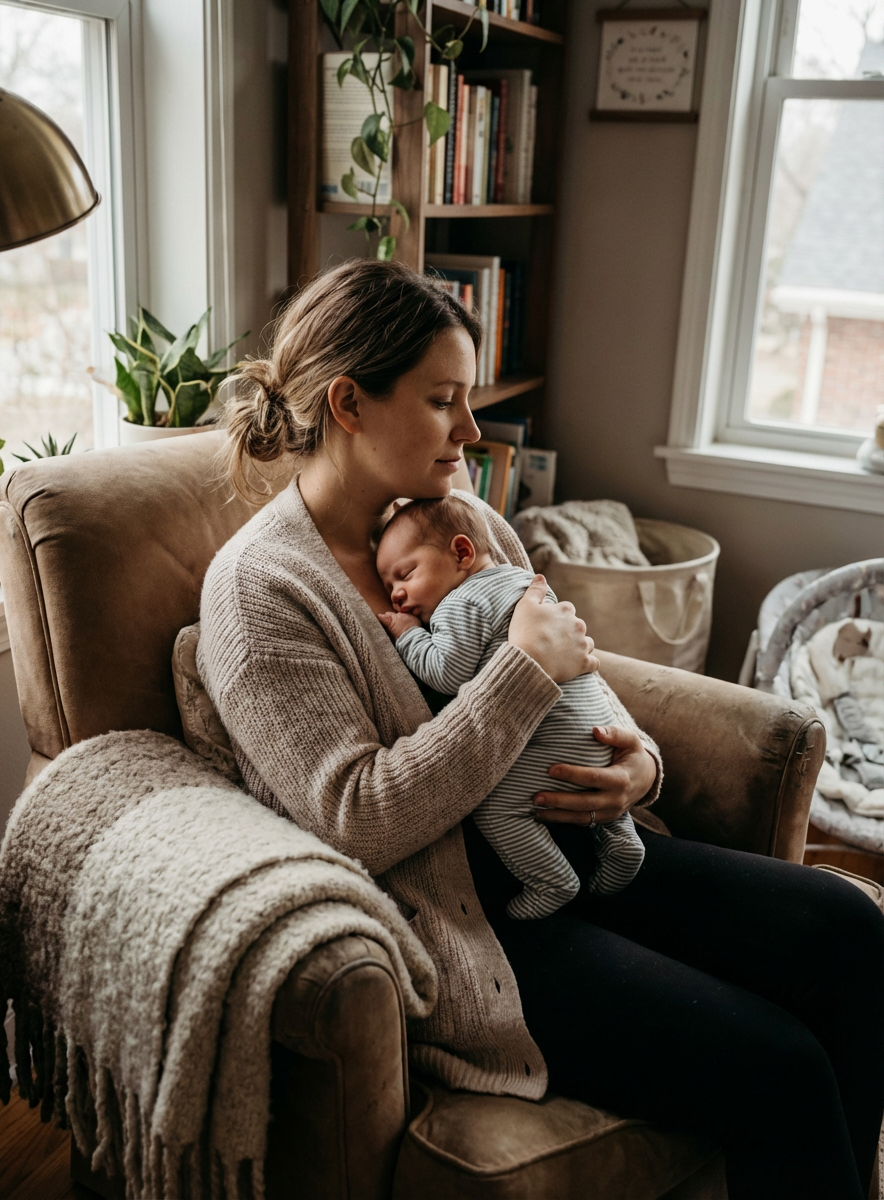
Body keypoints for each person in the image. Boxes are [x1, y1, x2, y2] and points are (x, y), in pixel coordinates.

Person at [197, 258, 884, 1200]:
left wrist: (638, 765)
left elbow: (576, 679)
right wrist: (518, 675)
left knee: (852, 930)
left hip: (588, 850)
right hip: (469, 924)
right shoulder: (260, 591)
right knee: (781, 1067)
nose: (471, 432)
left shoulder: (464, 520)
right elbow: (355, 815)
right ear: (349, 404)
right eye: (443, 401)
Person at [375, 493, 645, 914]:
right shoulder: (519, 581)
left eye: (405, 575)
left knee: (496, 807)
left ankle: (551, 881)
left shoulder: (460, 602)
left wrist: (410, 633)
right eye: (389, 586)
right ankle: (621, 841)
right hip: (600, 735)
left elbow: (447, 672)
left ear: (461, 552)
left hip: (549, 744)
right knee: (592, 779)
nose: (396, 594)